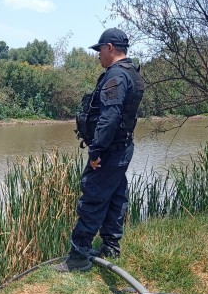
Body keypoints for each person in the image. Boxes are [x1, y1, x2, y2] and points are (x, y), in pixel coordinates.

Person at [57, 28, 145, 273]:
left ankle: (78, 257)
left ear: (109, 47)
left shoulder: (116, 76)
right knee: (116, 196)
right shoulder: (132, 73)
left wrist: (96, 152)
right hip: (122, 147)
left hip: (109, 151)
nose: (98, 56)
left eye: (99, 50)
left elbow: (110, 117)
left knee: (93, 197)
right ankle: (110, 246)